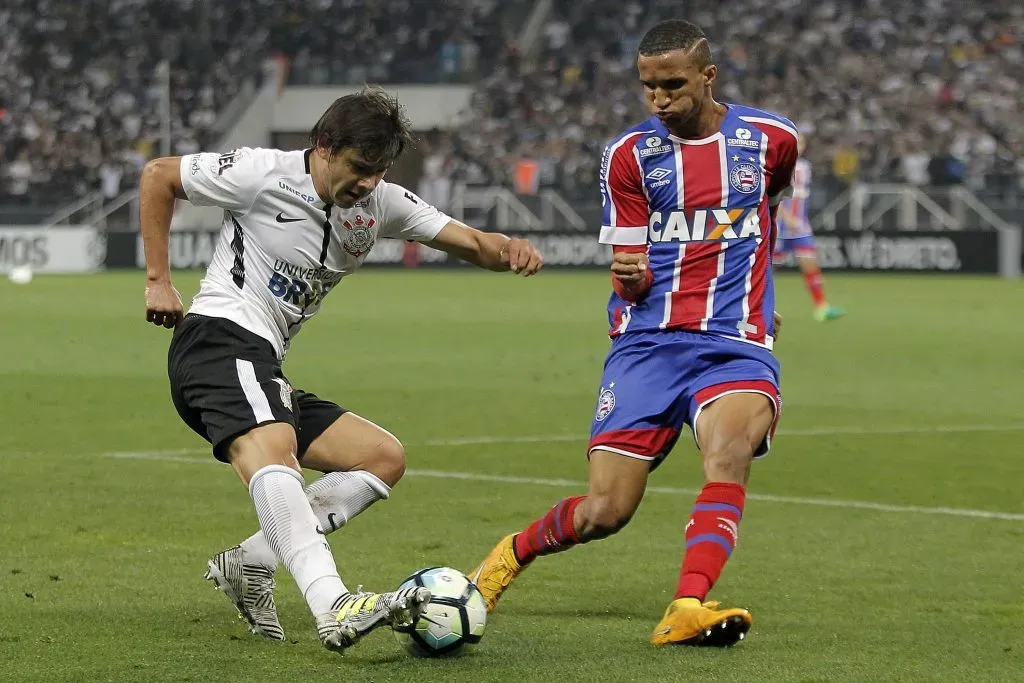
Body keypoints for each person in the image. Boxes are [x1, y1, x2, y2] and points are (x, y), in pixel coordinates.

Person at [140, 87, 543, 653]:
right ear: (324, 146)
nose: (368, 183)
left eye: (379, 172)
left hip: (263, 361)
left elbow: (473, 242)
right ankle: (331, 604)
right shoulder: (262, 173)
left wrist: (509, 250)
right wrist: (158, 279)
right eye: (359, 167)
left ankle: (252, 561)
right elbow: (159, 175)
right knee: (275, 450)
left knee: (380, 458)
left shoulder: (381, 204)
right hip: (218, 341)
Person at [468, 20, 796, 647]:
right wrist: (631, 277)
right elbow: (629, 274)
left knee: (728, 454)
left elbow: (767, 215)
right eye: (649, 87)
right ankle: (510, 554)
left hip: (735, 345)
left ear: (708, 76)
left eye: (674, 85)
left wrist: (762, 296)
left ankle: (687, 605)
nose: (660, 99)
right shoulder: (629, 155)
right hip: (647, 345)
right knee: (606, 512)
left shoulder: (772, 140)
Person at [774, 134, 844, 321]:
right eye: (796, 143)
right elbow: (774, 195)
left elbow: (801, 198)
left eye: (802, 143)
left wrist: (800, 220)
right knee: (765, 270)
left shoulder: (805, 167)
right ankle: (751, 306)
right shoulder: (779, 165)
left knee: (811, 265)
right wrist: (787, 218)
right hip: (781, 228)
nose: (799, 146)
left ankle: (822, 308)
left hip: (800, 228)